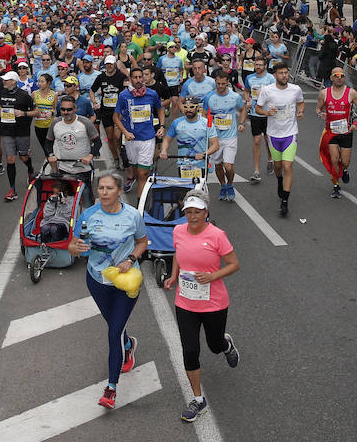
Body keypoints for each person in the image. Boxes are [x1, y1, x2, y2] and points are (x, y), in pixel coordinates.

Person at [69, 171, 147, 410]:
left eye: (109, 188)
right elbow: (72, 246)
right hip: (96, 280)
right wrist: (76, 248)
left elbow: (142, 242)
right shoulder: (88, 215)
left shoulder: (133, 215)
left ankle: (111, 389)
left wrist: (131, 259)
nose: (104, 193)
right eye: (100, 188)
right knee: (114, 326)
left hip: (125, 284)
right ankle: (128, 344)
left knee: (113, 333)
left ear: (120, 191)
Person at [163, 190, 240, 423]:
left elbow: (234, 264)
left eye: (197, 212)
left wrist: (212, 276)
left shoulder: (217, 235)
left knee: (214, 344)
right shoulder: (178, 231)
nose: (193, 216)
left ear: (206, 212)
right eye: (189, 212)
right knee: (190, 350)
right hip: (185, 301)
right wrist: (173, 276)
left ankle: (226, 345)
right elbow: (178, 253)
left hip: (214, 302)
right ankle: (198, 400)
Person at [255, 61, 304, 217]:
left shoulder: (295, 89)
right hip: (273, 134)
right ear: (275, 75)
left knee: (287, 166)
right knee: (278, 166)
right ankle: (279, 180)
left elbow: (301, 103)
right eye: (281, 73)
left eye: (286, 72)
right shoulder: (267, 91)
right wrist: (266, 113)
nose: (284, 75)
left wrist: (300, 111)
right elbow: (258, 108)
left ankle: (285, 202)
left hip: (290, 133)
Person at [316, 67, 357, 198]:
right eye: (336, 75)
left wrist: (356, 123)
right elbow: (318, 107)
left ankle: (344, 169)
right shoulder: (324, 93)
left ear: (344, 78)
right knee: (334, 159)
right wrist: (320, 113)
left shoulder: (351, 93)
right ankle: (336, 185)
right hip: (330, 132)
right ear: (331, 78)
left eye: (342, 75)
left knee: (344, 162)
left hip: (346, 132)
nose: (339, 77)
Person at [114, 67, 165, 197]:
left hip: (147, 138)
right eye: (135, 77)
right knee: (137, 172)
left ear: (143, 78)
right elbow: (116, 117)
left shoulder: (152, 94)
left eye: (140, 77)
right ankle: (143, 189)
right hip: (131, 140)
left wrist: (162, 126)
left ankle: (140, 206)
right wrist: (125, 132)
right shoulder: (123, 95)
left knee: (142, 174)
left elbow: (160, 109)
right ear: (130, 79)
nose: (138, 80)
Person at [46, 96, 100, 204]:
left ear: (75, 109)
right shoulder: (55, 123)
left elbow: (98, 142)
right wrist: (51, 155)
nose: (66, 112)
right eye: (63, 109)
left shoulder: (85, 122)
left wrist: (90, 155)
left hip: (83, 169)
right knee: (66, 201)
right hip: (64, 168)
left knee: (86, 201)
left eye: (69, 109)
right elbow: (48, 142)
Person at [204, 71, 247, 202]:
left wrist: (241, 123)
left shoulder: (235, 97)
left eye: (223, 83)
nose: (221, 86)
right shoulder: (209, 97)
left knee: (228, 166)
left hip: (230, 137)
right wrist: (209, 128)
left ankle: (230, 184)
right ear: (215, 82)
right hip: (215, 138)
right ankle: (223, 186)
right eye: (218, 83)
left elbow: (243, 109)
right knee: (217, 165)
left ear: (228, 82)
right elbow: (205, 115)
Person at [0, 71, 38, 202]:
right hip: (7, 131)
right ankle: (12, 189)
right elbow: (0, 105)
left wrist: (23, 113)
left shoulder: (24, 96)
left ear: (14, 81)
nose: (4, 82)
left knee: (23, 157)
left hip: (22, 131)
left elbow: (36, 112)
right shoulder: (2, 93)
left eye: (6, 80)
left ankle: (30, 170)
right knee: (10, 159)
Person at [160, 96, 219, 180]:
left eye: (192, 107)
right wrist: (164, 151)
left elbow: (216, 145)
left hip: (200, 164)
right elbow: (167, 140)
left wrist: (204, 154)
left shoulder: (205, 123)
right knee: (184, 190)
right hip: (183, 164)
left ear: (197, 107)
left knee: (198, 191)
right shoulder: (176, 123)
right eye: (185, 107)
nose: (188, 110)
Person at [90, 56, 129, 171]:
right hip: (106, 111)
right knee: (110, 138)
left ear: (115, 65)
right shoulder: (101, 77)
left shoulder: (121, 77)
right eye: (107, 64)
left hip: (118, 112)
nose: (109, 66)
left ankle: (122, 156)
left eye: (111, 64)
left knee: (117, 137)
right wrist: (94, 102)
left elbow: (127, 91)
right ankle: (116, 159)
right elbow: (92, 90)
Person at [243, 57, 274, 182]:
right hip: (255, 113)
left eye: (260, 65)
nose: (258, 67)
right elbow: (246, 91)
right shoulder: (250, 78)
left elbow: (275, 93)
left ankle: (270, 158)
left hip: (267, 114)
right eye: (256, 65)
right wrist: (248, 100)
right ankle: (256, 171)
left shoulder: (271, 78)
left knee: (268, 140)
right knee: (257, 141)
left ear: (265, 66)